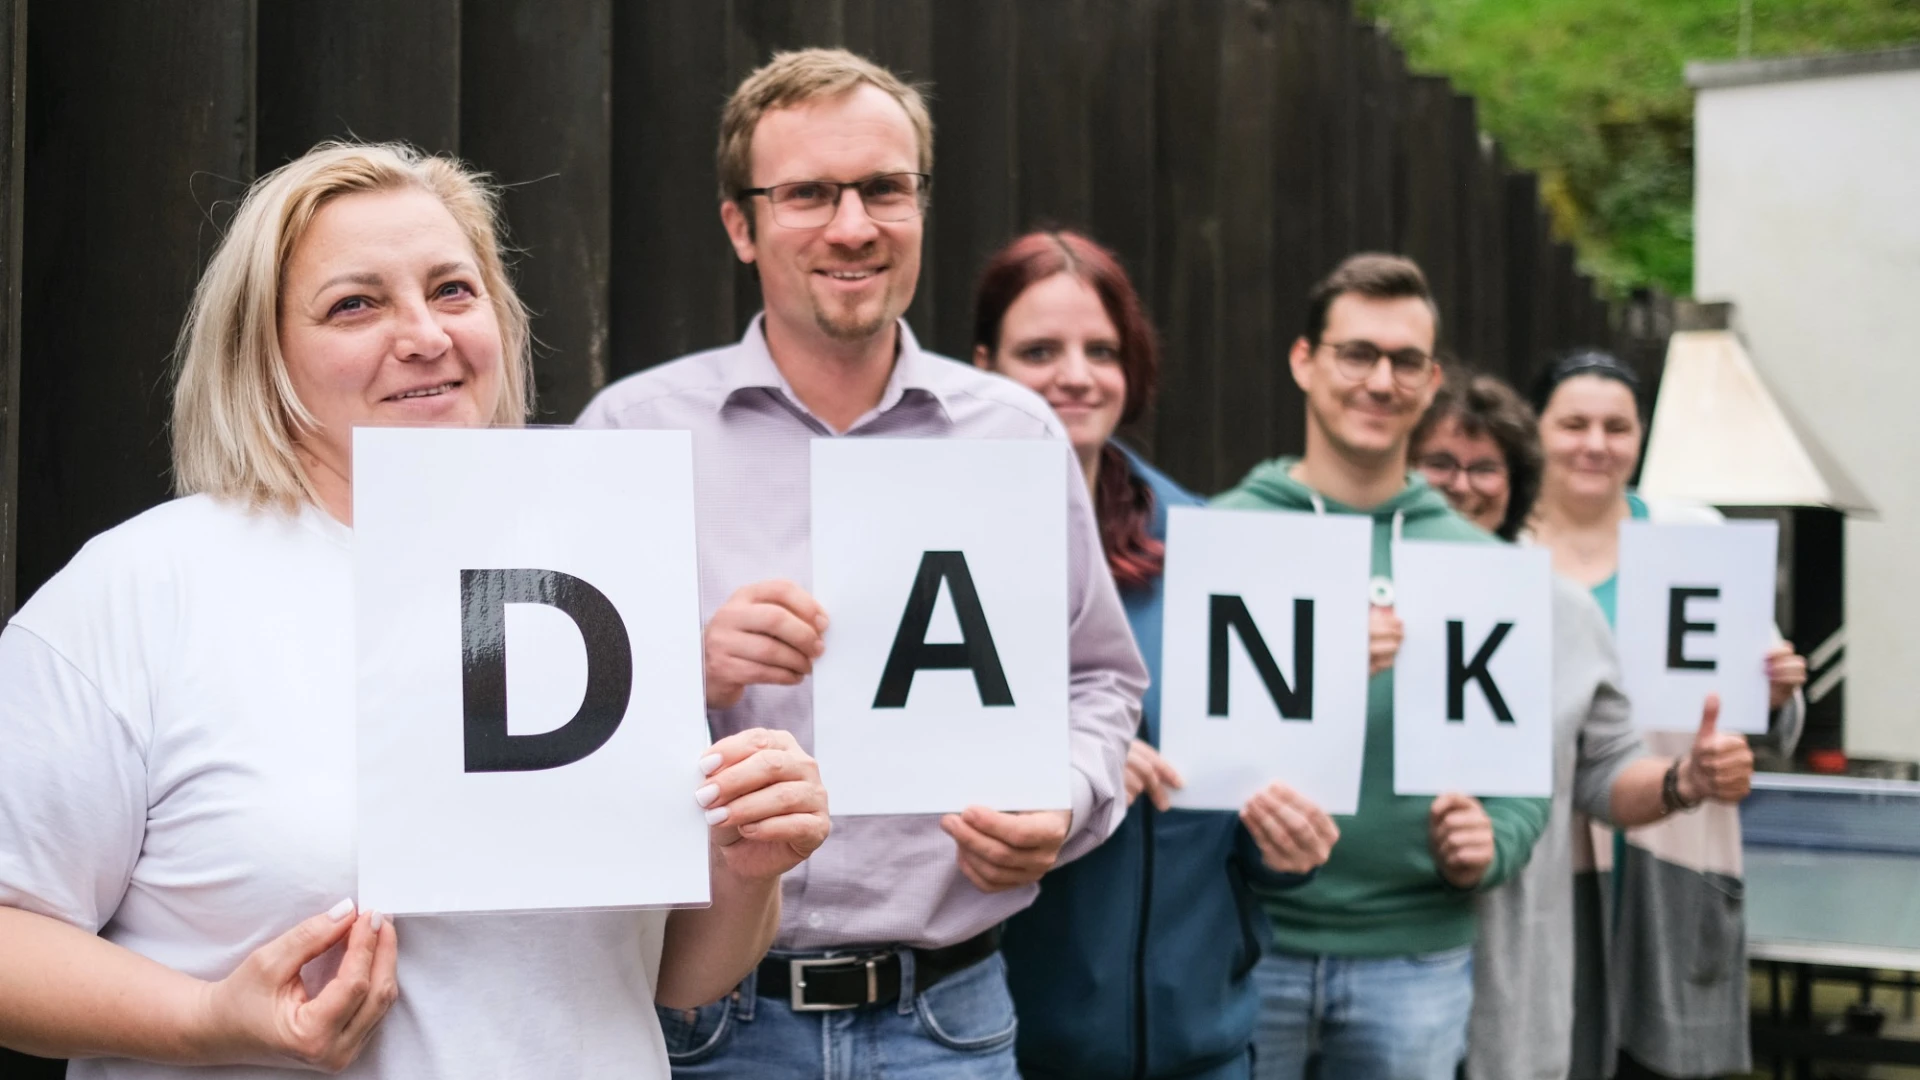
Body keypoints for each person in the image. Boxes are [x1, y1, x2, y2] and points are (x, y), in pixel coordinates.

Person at [0, 142, 830, 1079]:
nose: (426, 336)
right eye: (355, 304)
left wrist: (747, 867)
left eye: (452, 290)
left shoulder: (593, 571)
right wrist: (208, 1020)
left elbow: (671, 978)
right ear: (262, 353)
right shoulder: (145, 588)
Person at [574, 50, 1146, 1077]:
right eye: (808, 194)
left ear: (920, 206)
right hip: (709, 1023)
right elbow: (545, 730)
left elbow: (1102, 678)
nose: (852, 226)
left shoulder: (1015, 435)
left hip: (950, 1020)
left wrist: (1063, 797)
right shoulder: (631, 432)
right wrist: (683, 670)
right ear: (741, 226)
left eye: (884, 188)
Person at [970, 230, 1335, 1080]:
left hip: (1201, 1042)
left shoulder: (1214, 545)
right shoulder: (937, 544)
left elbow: (1256, 784)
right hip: (1005, 1045)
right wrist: (1076, 757)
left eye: (1101, 350)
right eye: (1039, 351)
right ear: (983, 366)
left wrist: (1285, 849)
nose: (1076, 375)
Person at [1211, 253, 1548, 1080]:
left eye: (1404, 361)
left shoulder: (1485, 563)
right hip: (1244, 944)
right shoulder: (1220, 535)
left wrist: (1492, 844)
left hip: (1416, 961)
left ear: (1431, 382)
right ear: (1305, 361)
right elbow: (1178, 750)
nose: (1380, 380)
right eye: (1356, 354)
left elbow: (1521, 778)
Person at [1410, 370, 1758, 1080]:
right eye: (1439, 463)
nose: (1462, 485)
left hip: (1515, 955)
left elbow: (1605, 772)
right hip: (1368, 952)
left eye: (1486, 467)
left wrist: (1684, 779)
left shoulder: (1566, 611)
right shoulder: (1353, 594)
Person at [1524, 348, 1807, 1080]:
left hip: (1676, 853)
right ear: (1535, 428)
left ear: (1640, 435)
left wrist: (1776, 690)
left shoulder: (1696, 535)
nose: (1596, 444)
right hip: (1543, 862)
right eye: (1574, 424)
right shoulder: (1498, 544)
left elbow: (1768, 714)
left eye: (1617, 427)